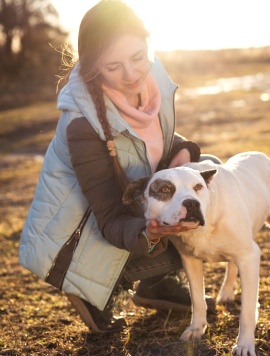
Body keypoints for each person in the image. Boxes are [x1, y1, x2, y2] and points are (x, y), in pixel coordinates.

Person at [19, 0, 221, 333]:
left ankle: (156, 282)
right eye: (113, 66)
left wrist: (181, 152)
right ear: (92, 66)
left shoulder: (152, 78)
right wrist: (151, 233)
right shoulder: (84, 124)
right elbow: (110, 218)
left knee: (208, 172)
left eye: (137, 58)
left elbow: (148, 144)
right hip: (77, 240)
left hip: (121, 209)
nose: (131, 75)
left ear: (147, 44)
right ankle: (92, 286)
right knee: (168, 215)